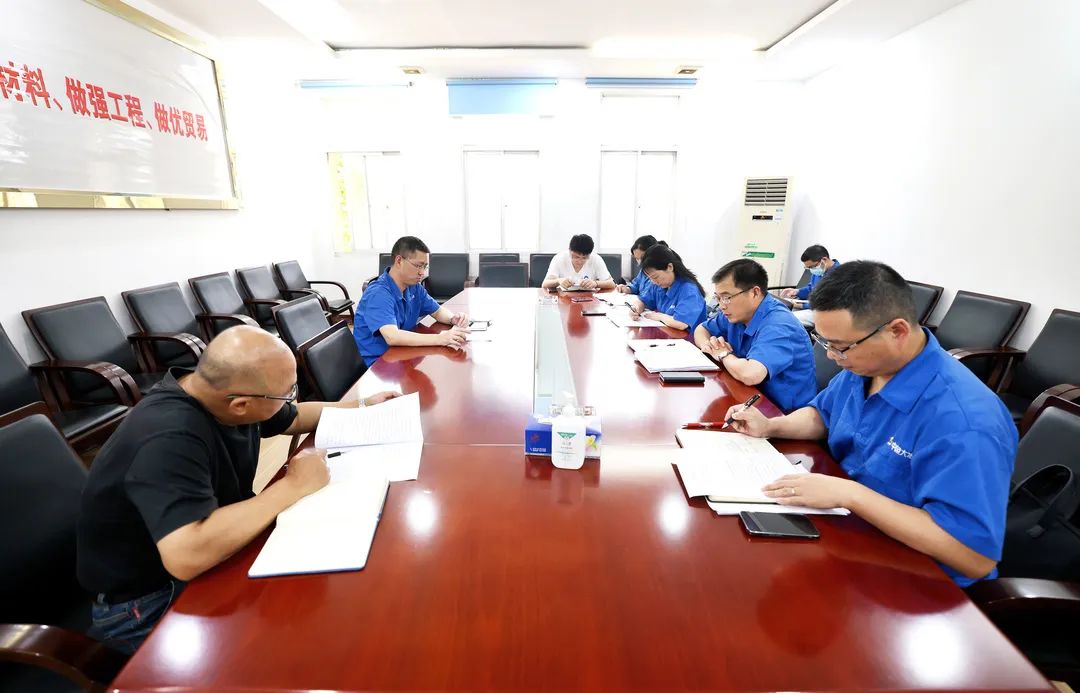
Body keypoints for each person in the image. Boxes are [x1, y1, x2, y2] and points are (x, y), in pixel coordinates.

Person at [77, 326, 401, 653]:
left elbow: (292, 417)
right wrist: (292, 486)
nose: (292, 398)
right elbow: (186, 555)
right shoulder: (168, 437)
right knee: (297, 641)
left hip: (212, 548)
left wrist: (362, 405)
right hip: (146, 601)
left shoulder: (218, 391)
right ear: (241, 405)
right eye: (288, 392)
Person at [726, 261, 1016, 586]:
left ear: (897, 332)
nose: (831, 356)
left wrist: (851, 495)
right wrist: (771, 426)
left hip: (915, 577)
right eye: (825, 343)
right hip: (848, 529)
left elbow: (974, 556)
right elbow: (823, 414)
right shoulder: (867, 367)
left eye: (840, 346)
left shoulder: (964, 421)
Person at [694, 259, 815, 413]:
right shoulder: (735, 313)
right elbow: (701, 330)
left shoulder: (779, 325)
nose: (722, 305)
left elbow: (750, 375)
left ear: (755, 293)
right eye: (718, 298)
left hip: (782, 414)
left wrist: (723, 354)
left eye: (726, 297)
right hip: (749, 398)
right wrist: (709, 346)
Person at [354, 236, 469, 367]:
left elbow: (437, 311)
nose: (422, 272)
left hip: (403, 354)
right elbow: (392, 337)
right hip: (379, 365)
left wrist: (453, 319)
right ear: (399, 261)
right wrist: (440, 338)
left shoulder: (414, 287)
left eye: (425, 266)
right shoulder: (378, 293)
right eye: (418, 266)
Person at [629, 244, 707, 331]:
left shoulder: (689, 290)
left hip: (687, 337)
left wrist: (660, 316)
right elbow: (643, 301)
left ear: (670, 267)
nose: (653, 282)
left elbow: (681, 323)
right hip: (667, 334)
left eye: (655, 277)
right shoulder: (659, 285)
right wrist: (636, 309)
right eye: (650, 278)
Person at [780, 245, 840, 326]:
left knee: (787, 319)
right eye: (808, 268)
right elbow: (811, 289)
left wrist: (800, 305)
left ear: (824, 260)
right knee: (781, 312)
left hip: (825, 312)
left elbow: (827, 303)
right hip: (812, 306)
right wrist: (797, 291)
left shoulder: (839, 276)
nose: (812, 270)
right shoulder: (820, 270)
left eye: (812, 267)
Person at [541, 234, 616, 291]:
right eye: (576, 257)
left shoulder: (596, 259)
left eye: (584, 258)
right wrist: (558, 281)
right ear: (569, 251)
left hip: (589, 299)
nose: (580, 262)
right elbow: (545, 284)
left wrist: (596, 283)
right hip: (564, 298)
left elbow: (612, 284)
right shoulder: (559, 258)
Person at [616, 235, 666, 303]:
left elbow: (650, 298)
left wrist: (640, 302)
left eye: (642, 258)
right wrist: (627, 289)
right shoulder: (643, 271)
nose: (640, 262)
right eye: (637, 259)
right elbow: (636, 285)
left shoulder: (660, 273)